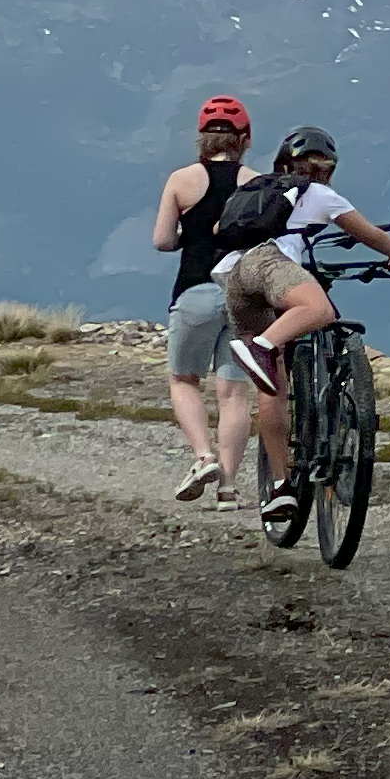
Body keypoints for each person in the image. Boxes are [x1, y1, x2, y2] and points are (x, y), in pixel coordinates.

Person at [219, 125, 390, 542]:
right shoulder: (320, 195)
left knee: (272, 384)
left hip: (237, 278)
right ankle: (261, 346)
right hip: (269, 264)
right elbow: (371, 235)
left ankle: (279, 487)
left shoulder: (262, 192)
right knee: (318, 309)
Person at [152, 96, 263, 505]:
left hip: (195, 289)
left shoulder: (182, 180)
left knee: (184, 379)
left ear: (201, 139)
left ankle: (203, 457)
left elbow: (162, 240)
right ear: (245, 139)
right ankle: (229, 487)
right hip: (245, 294)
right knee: (233, 392)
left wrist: (192, 237)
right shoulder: (257, 182)